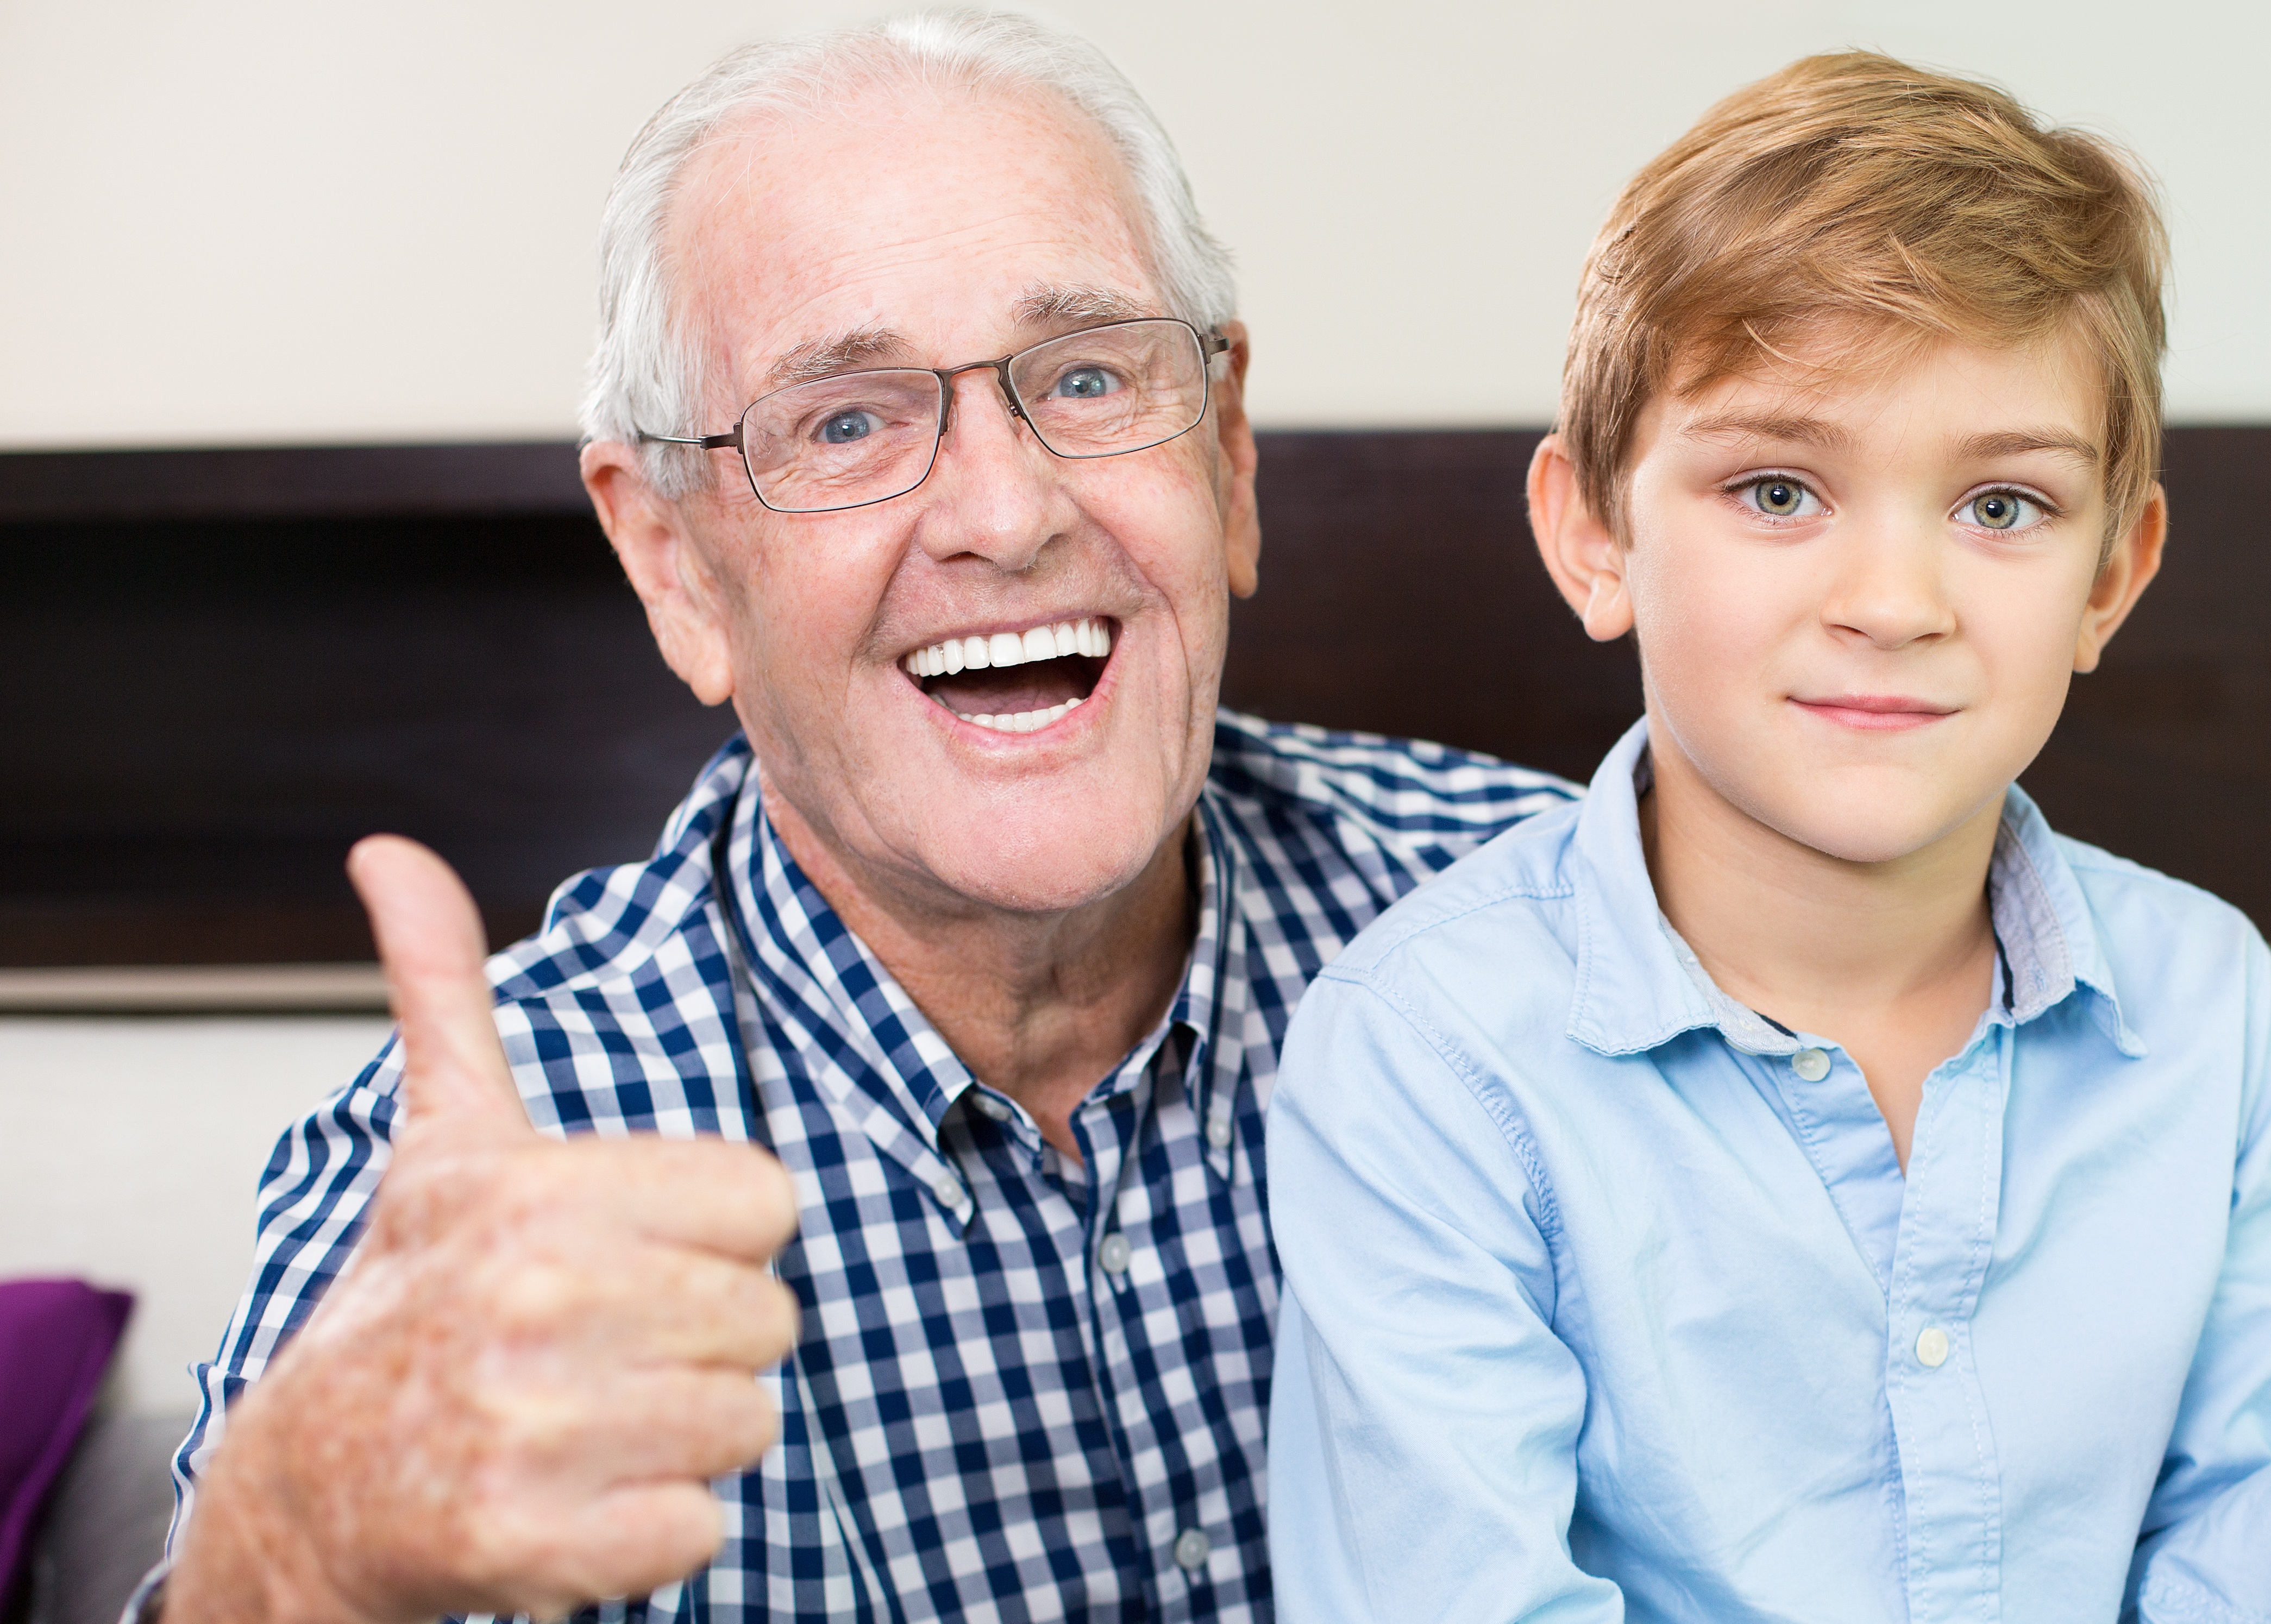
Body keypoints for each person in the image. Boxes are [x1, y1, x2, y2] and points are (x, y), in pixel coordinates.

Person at [147, 13, 1569, 1624]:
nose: (1006, 513)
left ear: (1228, 450)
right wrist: (291, 1556)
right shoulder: (475, 1185)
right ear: (676, 565)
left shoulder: (1564, 928)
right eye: (846, 422)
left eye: (1091, 376)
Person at [1264, 52, 2271, 1623]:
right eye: (1777, 489)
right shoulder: (1430, 1058)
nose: (1896, 605)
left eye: (2001, 508)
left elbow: (2234, 1585)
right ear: (1594, 534)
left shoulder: (2203, 1002)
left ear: (2113, 574)